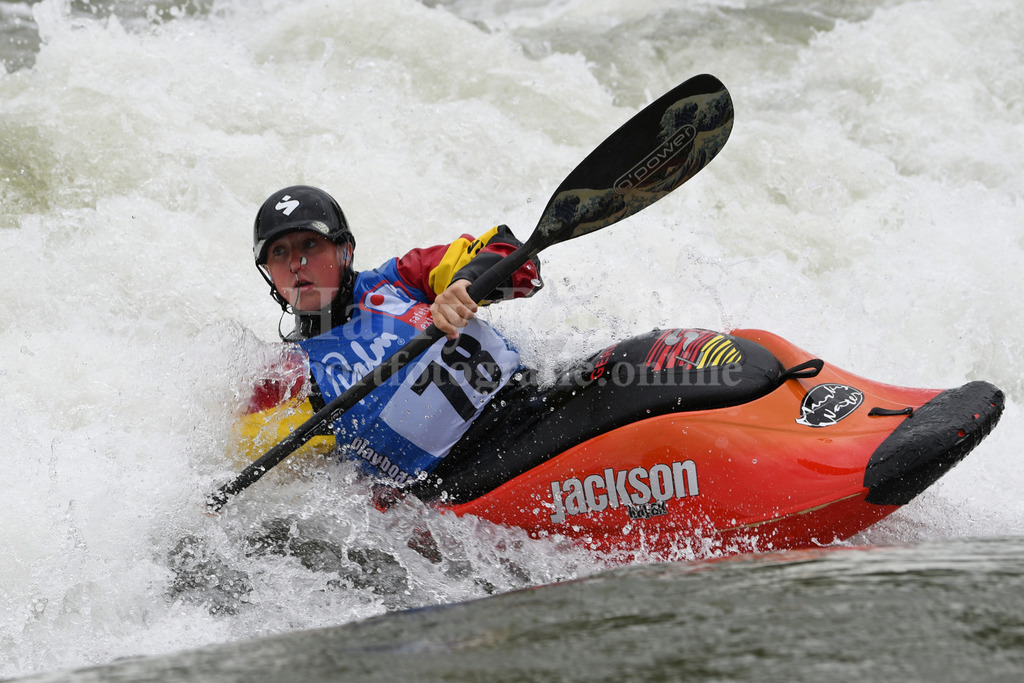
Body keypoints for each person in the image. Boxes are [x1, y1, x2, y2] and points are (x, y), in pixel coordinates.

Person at [237, 185, 542, 486]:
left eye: (310, 244)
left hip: (531, 404)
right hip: (468, 484)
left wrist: (465, 283)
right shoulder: (290, 377)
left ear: (346, 250)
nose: (296, 264)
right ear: (267, 270)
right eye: (279, 252)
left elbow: (512, 254)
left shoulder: (402, 279)